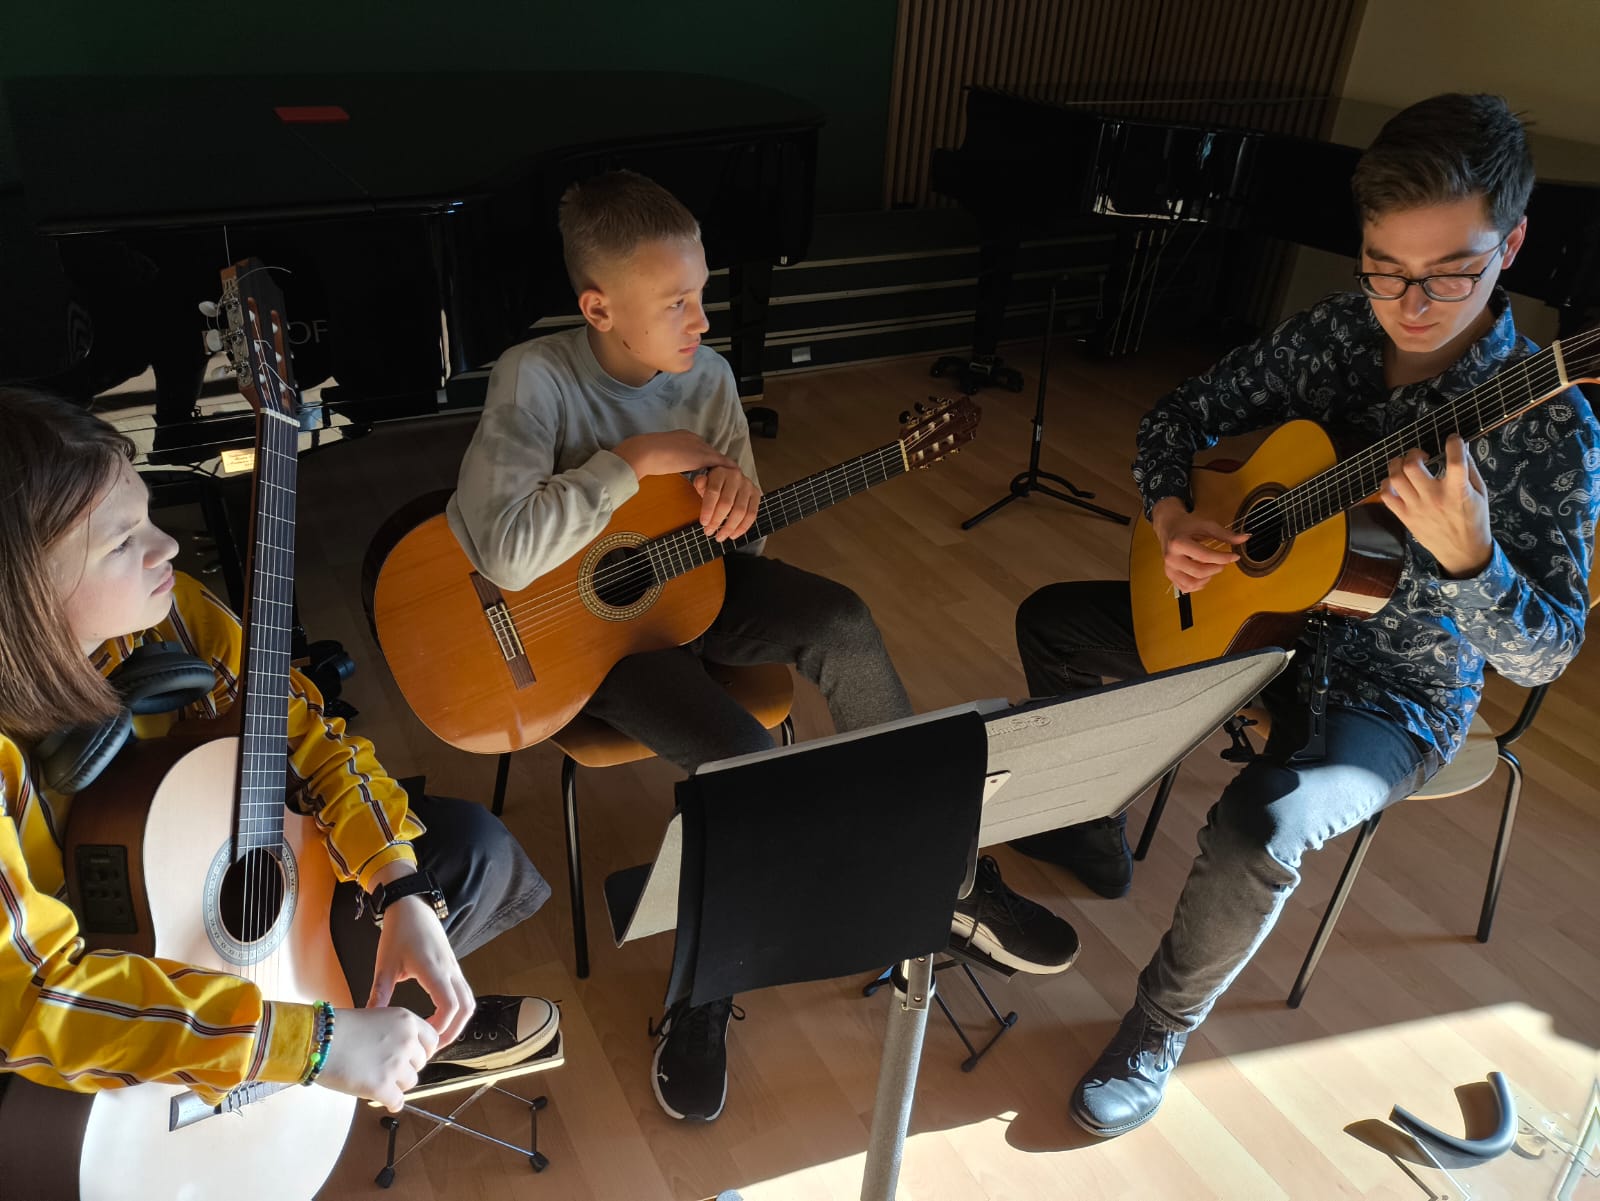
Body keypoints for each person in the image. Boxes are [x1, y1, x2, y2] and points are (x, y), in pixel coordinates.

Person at [1014, 93, 1599, 1137]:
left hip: (1397, 692)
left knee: (1259, 827)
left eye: (1448, 273)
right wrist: (1174, 514)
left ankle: (1156, 1028)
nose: (1409, 303)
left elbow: (1546, 651)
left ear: (1510, 245)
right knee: (1054, 622)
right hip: (1251, 621)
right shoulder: (1336, 330)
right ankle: (1086, 829)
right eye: (1383, 267)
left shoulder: (1552, 423)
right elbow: (1177, 416)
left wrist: (1470, 559)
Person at [446, 169, 1081, 1123]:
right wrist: (637, 461)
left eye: (702, 292)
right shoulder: (535, 378)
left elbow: (740, 548)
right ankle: (702, 993)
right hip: (587, 644)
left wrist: (739, 510)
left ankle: (945, 879)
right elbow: (502, 548)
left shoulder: (708, 380)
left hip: (691, 590)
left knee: (844, 620)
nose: (702, 319)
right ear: (599, 308)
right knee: (745, 760)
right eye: (675, 301)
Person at [0, 388, 559, 1120]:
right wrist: (306, 1043)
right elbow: (35, 996)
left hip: (202, 899)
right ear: (22, 589)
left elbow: (311, 738)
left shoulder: (169, 615)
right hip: (95, 998)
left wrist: (399, 888)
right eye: (122, 542)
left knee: (469, 852)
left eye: (147, 515)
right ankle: (323, 1054)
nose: (167, 546)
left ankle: (380, 1036)